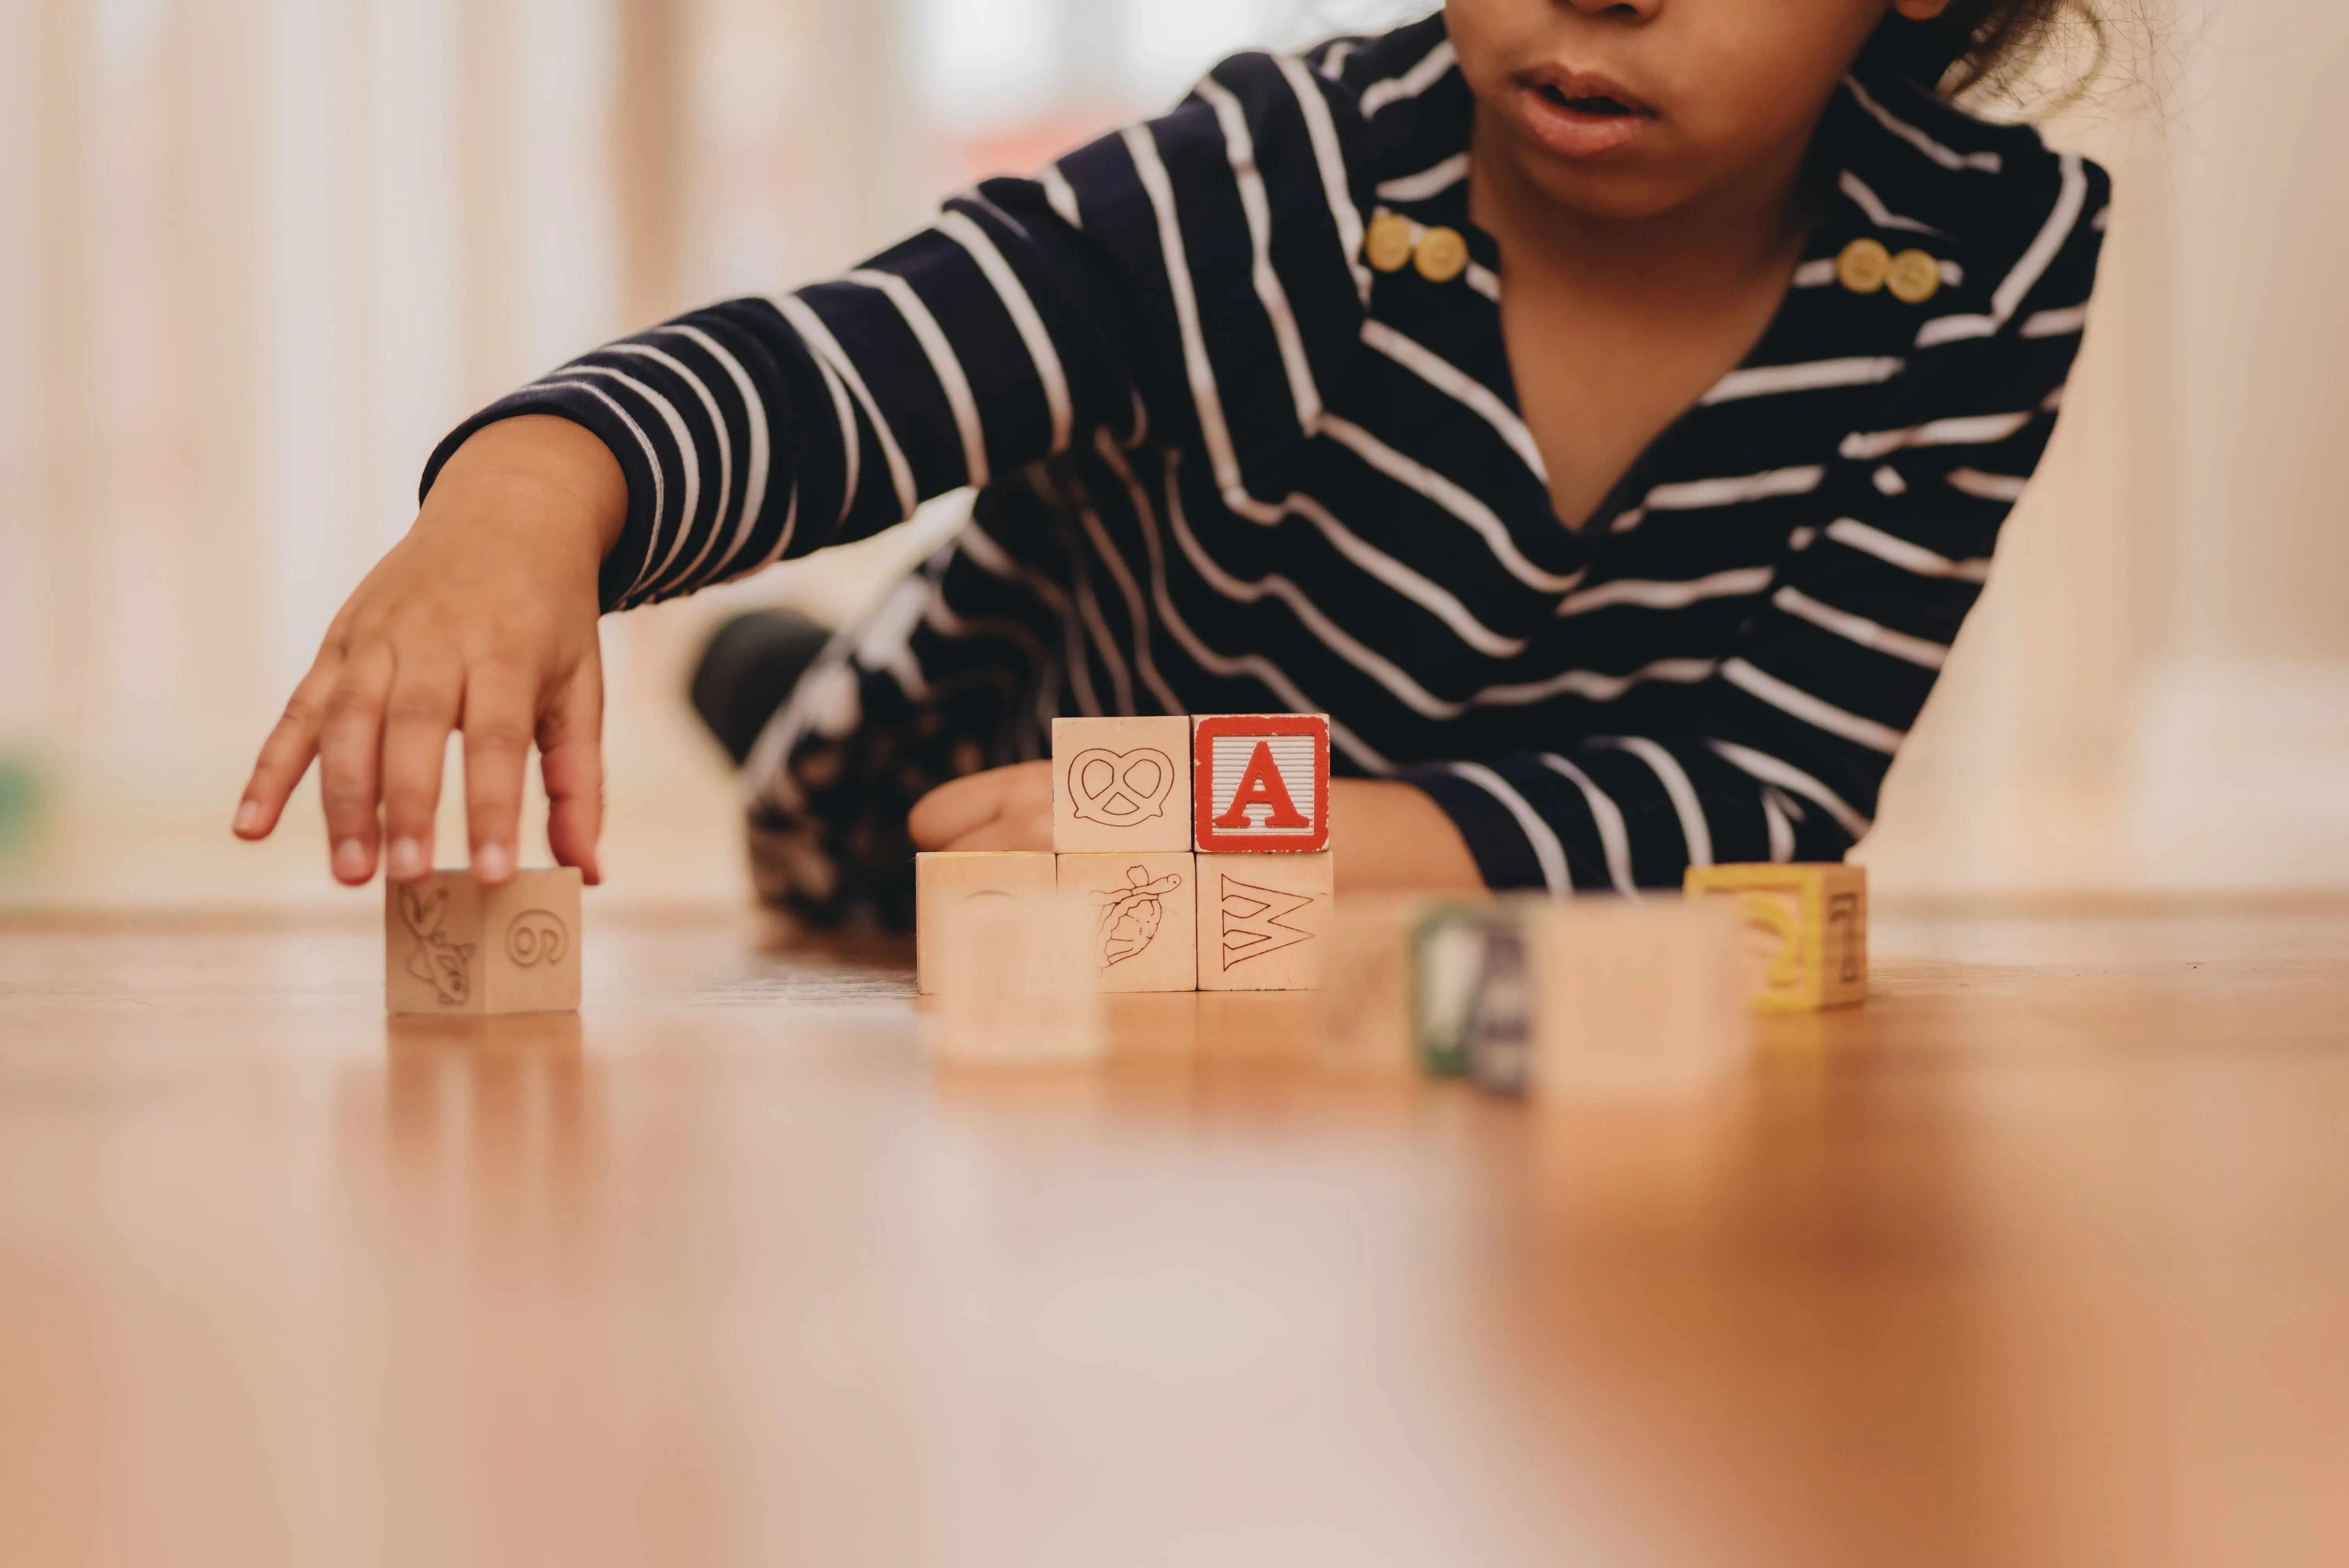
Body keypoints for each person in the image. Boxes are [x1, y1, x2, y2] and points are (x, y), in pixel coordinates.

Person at [232, 0, 2111, 930]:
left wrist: (1290, 832)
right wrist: (532, 489)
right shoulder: (1268, 187)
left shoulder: (1984, 265)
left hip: (1441, 877)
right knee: (832, 745)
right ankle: (776, 673)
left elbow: (1774, 784)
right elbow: (865, 363)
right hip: (994, 774)